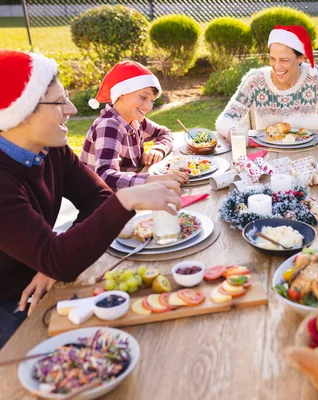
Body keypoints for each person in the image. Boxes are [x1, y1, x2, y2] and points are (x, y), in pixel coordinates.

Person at [0, 50, 183, 349]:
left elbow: (97, 196)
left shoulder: (51, 149)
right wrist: (127, 199)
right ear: (22, 113)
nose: (70, 109)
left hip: (50, 277)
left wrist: (52, 257)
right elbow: (63, 258)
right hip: (11, 300)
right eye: (59, 101)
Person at [215, 25, 318, 140]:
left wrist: (291, 123)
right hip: (266, 153)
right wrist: (232, 134)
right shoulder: (255, 80)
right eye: (272, 59)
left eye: (284, 60)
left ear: (301, 58)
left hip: (306, 150)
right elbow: (226, 119)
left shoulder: (314, 76)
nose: (277, 66)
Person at [80, 60, 188, 191]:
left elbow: (164, 133)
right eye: (143, 97)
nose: (148, 106)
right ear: (121, 94)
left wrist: (158, 149)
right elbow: (105, 176)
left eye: (152, 101)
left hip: (131, 193)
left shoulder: (135, 121)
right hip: (105, 202)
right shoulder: (109, 126)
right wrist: (152, 179)